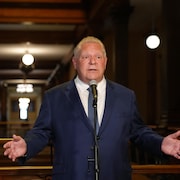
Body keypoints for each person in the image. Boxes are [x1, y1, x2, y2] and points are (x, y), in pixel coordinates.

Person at [3, 36, 180, 180]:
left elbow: (139, 132)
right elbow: (41, 132)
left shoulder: (126, 96)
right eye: (86, 57)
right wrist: (27, 145)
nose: (92, 62)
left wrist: (161, 143)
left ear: (105, 61)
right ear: (75, 62)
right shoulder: (54, 97)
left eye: (98, 57)